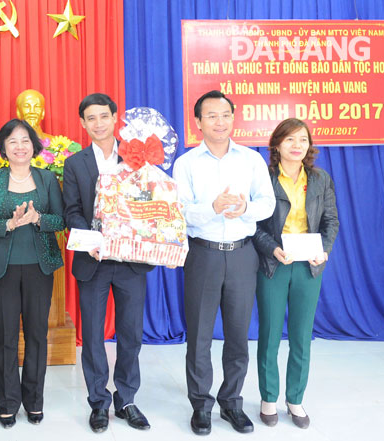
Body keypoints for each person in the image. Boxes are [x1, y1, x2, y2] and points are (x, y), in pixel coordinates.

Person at [172, 90, 275, 435]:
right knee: (199, 335)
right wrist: (211, 209)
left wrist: (245, 208)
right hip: (203, 254)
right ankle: (201, 405)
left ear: (234, 118)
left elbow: (268, 203)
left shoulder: (251, 160)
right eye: (211, 116)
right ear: (198, 122)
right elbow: (179, 213)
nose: (220, 121)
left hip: (243, 254)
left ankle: (231, 403)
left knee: (237, 336)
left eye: (225, 114)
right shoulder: (186, 163)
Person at [63, 93, 153, 433]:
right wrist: (94, 240)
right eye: (91, 118)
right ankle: (98, 402)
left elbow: (149, 202)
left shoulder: (137, 156)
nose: (98, 123)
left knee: (131, 333)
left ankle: (127, 399)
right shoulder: (75, 164)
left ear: (115, 118)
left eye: (104, 116)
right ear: (83, 123)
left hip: (131, 260)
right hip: (94, 260)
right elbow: (71, 210)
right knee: (93, 335)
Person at [0, 118, 64, 428]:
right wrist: (9, 224)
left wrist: (39, 218)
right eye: (12, 141)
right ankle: (8, 403)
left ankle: (34, 401)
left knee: (38, 336)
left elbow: (61, 220)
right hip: (2, 271)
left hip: (40, 268)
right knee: (6, 338)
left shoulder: (47, 179)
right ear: (3, 148)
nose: (19, 146)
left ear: (34, 146)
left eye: (25, 140)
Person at [253, 118, 339, 429]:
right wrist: (271, 248)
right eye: (289, 140)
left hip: (308, 265)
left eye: (302, 139)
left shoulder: (320, 179)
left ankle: (295, 398)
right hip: (275, 263)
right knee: (270, 334)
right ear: (276, 145)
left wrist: (324, 249)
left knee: (302, 336)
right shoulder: (264, 178)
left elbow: (331, 221)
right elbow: (255, 226)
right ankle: (268, 396)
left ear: (309, 145)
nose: (296, 145)